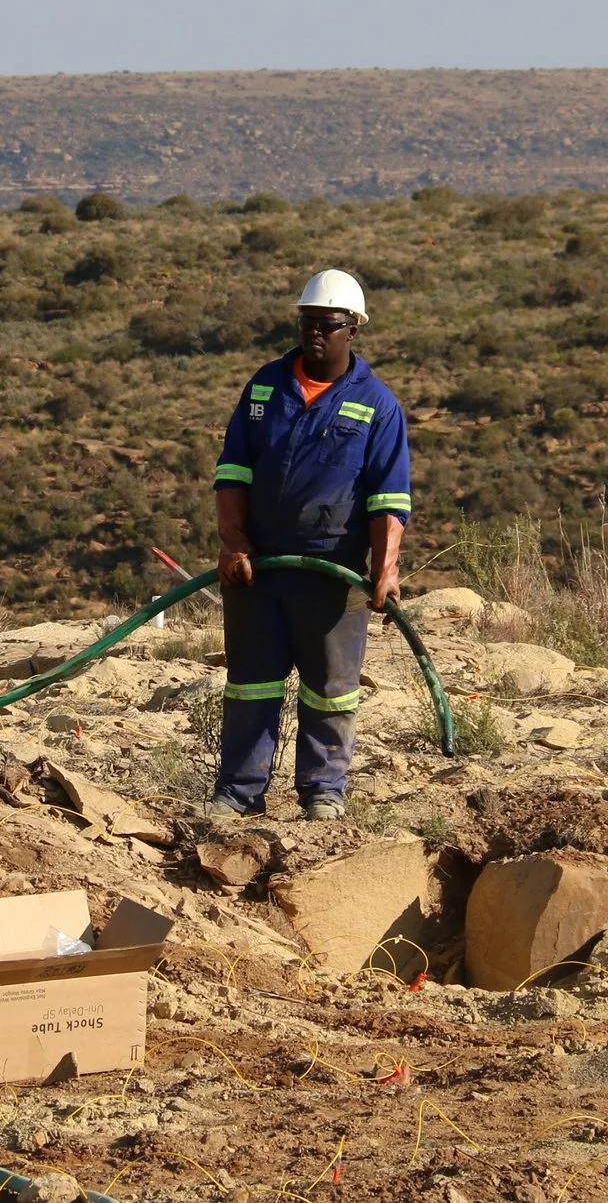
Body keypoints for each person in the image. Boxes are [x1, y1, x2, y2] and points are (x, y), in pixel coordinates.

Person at [209, 269, 412, 820]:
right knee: (252, 685)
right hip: (259, 569)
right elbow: (233, 471)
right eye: (307, 322)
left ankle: (323, 791)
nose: (315, 333)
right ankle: (238, 792)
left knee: (331, 691)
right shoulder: (264, 388)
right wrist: (233, 543)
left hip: (334, 575)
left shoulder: (376, 406)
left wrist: (384, 569)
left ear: (354, 330)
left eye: (328, 324)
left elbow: (388, 500)